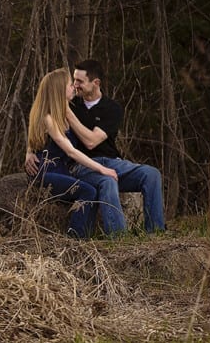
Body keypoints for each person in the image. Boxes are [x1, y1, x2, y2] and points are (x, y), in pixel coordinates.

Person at [26, 59, 166, 234]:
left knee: (151, 174)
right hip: (83, 166)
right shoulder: (70, 103)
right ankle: (119, 238)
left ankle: (155, 233)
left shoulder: (111, 108)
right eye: (73, 81)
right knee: (106, 182)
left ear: (96, 83)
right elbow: (41, 122)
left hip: (111, 162)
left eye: (80, 82)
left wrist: (68, 114)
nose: (75, 86)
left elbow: (91, 141)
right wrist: (29, 151)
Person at [25, 68, 119, 238]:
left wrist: (29, 150)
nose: (74, 87)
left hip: (61, 170)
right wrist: (102, 169)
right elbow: (70, 151)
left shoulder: (64, 114)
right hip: (46, 172)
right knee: (88, 191)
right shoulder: (48, 118)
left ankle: (85, 236)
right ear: (59, 90)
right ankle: (75, 237)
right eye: (69, 85)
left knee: (93, 189)